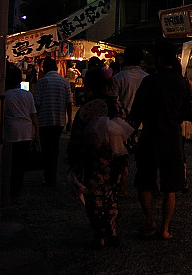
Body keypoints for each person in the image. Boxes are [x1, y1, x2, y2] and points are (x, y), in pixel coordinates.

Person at [128, 41, 192, 240]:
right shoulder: (181, 82)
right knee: (170, 187)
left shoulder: (149, 82)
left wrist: (128, 133)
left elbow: (136, 113)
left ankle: (149, 221)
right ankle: (164, 229)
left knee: (144, 182)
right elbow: (186, 112)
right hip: (172, 138)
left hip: (150, 136)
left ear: (157, 59)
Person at [66, 67, 134, 249]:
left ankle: (99, 234)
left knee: (94, 194)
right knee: (110, 193)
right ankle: (111, 229)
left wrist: (73, 159)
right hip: (116, 156)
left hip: (93, 157)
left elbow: (77, 134)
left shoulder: (89, 107)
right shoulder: (117, 106)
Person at [34, 57, 73, 187]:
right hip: (59, 120)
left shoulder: (41, 82)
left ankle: (47, 176)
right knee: (55, 148)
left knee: (46, 149)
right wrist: (70, 121)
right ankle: (53, 176)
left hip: (44, 120)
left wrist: (35, 123)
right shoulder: (65, 82)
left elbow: (37, 104)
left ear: (44, 68)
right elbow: (69, 103)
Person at [4, 63, 39, 201]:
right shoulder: (28, 94)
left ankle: (11, 187)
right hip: (25, 131)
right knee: (21, 161)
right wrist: (37, 132)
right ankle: (18, 187)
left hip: (11, 130)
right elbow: (33, 114)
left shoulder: (6, 95)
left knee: (11, 161)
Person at [112, 45, 147, 114]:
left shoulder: (118, 77)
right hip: (143, 119)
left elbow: (113, 100)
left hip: (123, 118)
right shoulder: (147, 77)